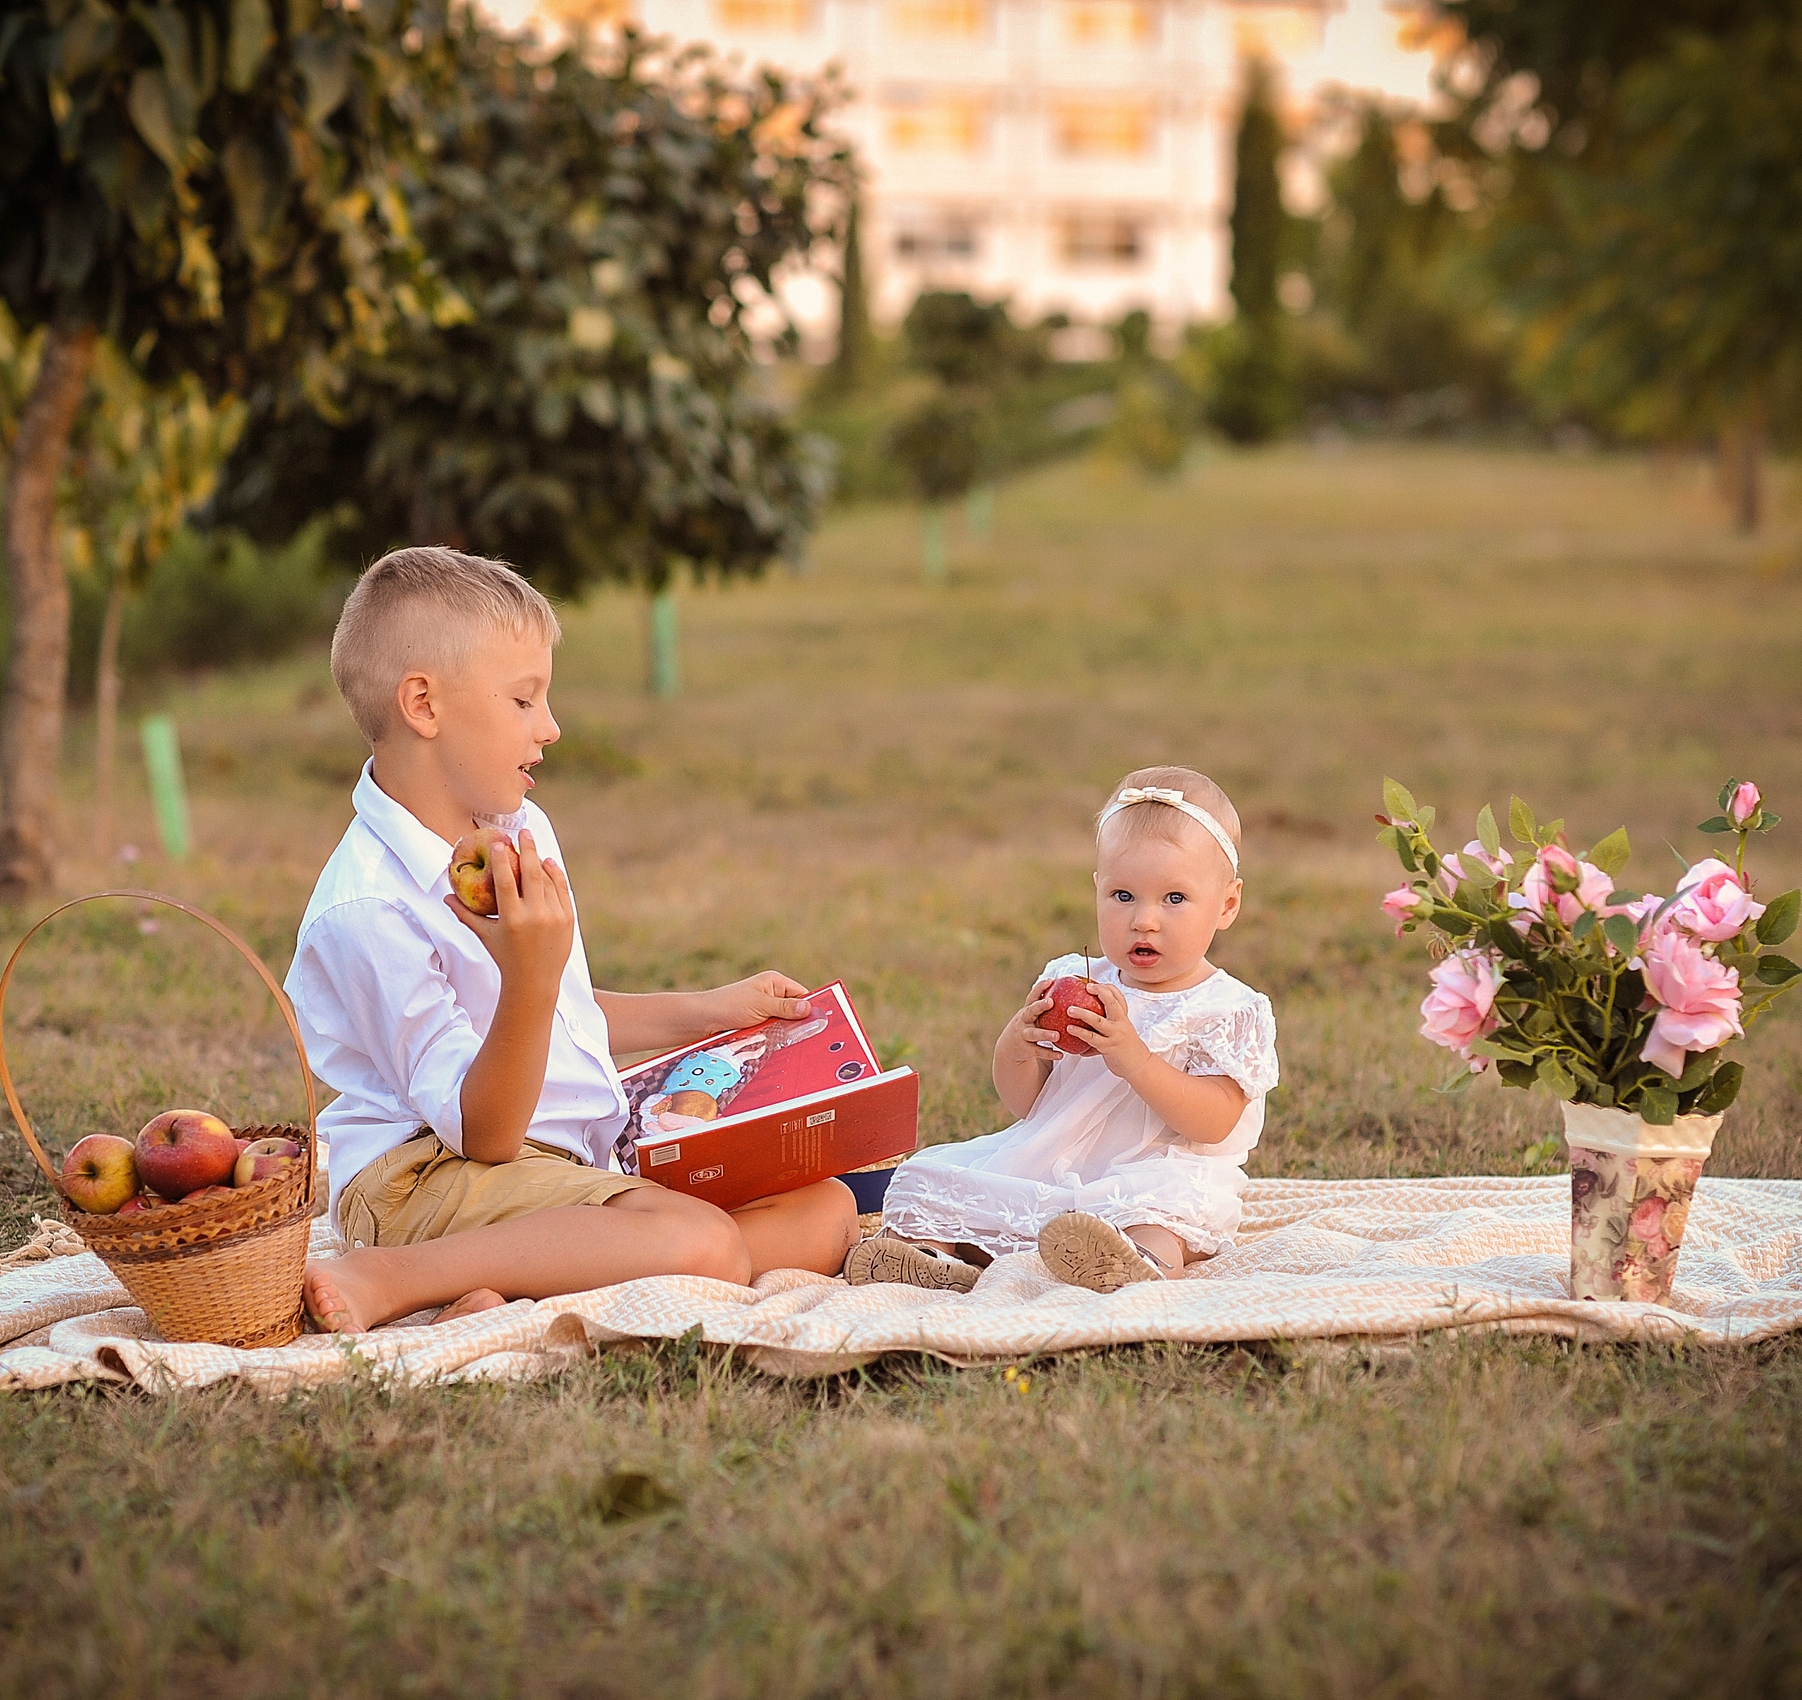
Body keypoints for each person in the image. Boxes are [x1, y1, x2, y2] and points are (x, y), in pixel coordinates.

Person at [288, 547, 858, 1333]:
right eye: (524, 701)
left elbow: (565, 1013)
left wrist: (717, 1009)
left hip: (554, 1166)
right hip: (423, 1179)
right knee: (701, 1244)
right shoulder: (367, 907)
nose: (551, 727)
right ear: (423, 704)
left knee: (823, 1211)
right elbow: (483, 1134)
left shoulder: (517, 828)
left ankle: (512, 1282)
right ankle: (394, 1275)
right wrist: (527, 976)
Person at [848, 767, 1278, 1293]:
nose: (1144, 920)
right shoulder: (1072, 980)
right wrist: (1018, 1047)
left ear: (1227, 904)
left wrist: (1136, 1061)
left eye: (1174, 899)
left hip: (1156, 1171)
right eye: (1123, 896)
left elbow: (1213, 1122)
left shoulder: (1227, 1007)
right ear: (1098, 890)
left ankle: (1134, 1261)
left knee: (1162, 1216)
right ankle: (932, 1257)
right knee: (932, 1179)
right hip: (1050, 1158)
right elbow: (1026, 1104)